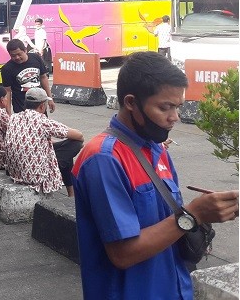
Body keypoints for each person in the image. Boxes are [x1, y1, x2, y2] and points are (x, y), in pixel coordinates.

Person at [72, 51, 239, 300]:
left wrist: (209, 210)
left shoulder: (156, 148)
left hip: (173, 288)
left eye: (178, 107)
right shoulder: (103, 159)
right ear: (131, 102)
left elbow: (166, 220)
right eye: (165, 107)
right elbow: (123, 254)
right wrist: (195, 214)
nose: (175, 117)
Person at [4, 87, 83, 196]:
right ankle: (71, 193)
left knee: (60, 148)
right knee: (75, 144)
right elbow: (79, 136)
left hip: (14, 171)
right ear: (42, 106)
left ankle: (71, 193)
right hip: (34, 175)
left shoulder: (14, 117)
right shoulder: (43, 121)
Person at [0, 39, 54, 115]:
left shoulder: (36, 58)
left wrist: (50, 99)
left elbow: (43, 77)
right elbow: (7, 91)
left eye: (19, 54)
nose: (17, 57)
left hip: (39, 105)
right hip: (21, 108)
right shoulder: (7, 69)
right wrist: (8, 113)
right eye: (13, 55)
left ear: (25, 50)